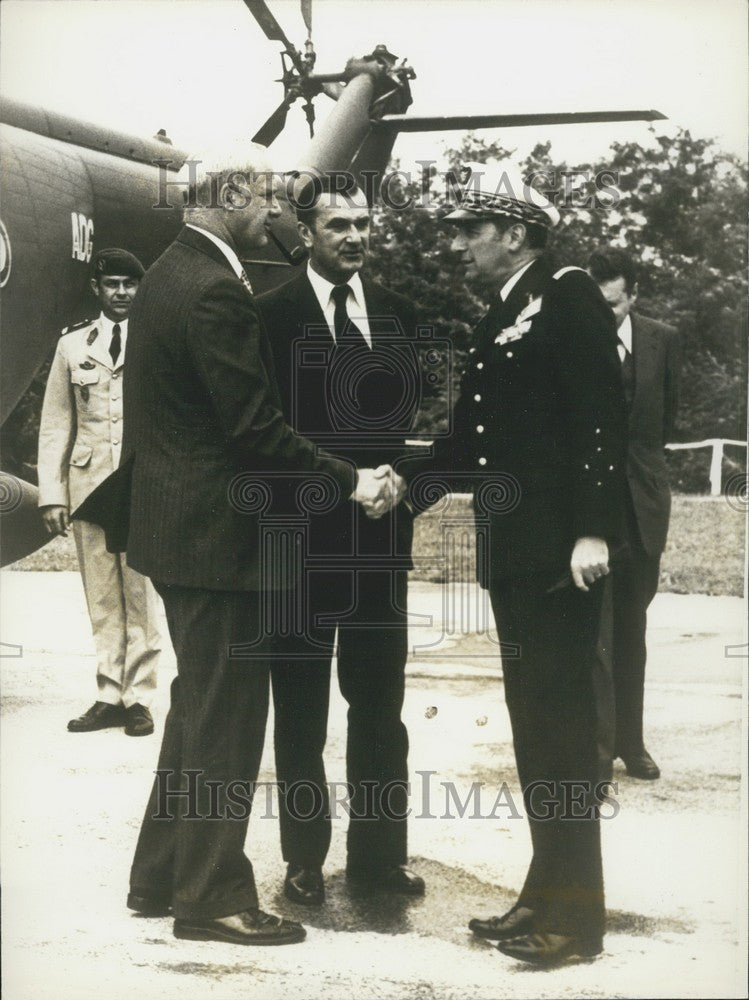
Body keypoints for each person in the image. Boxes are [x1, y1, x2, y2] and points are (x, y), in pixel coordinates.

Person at [81, 147, 399, 948]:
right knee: (225, 722)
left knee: (195, 713)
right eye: (268, 198)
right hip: (219, 542)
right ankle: (212, 896)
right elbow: (255, 430)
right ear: (227, 196)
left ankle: (157, 878)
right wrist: (352, 481)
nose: (279, 213)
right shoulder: (217, 290)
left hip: (177, 533)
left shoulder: (165, 274)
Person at [402, 163, 627, 965]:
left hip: (560, 557)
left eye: (470, 230)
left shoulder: (566, 295)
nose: (459, 244)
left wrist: (593, 532)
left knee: (562, 735)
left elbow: (603, 418)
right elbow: (472, 440)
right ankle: (544, 892)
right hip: (517, 551)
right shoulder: (504, 308)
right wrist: (402, 490)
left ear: (515, 234)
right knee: (536, 731)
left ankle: (576, 922)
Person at [256, 177, 424, 907]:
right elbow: (265, 432)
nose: (353, 236)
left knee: (379, 708)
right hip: (296, 544)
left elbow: (403, 428)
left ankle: (379, 858)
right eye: (337, 225)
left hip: (378, 548)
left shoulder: (397, 315)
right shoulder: (269, 316)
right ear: (305, 231)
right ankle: (303, 860)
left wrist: (396, 483)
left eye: (362, 223)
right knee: (299, 710)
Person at [37, 248, 161, 737]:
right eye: (113, 284)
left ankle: (140, 697)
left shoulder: (154, 341)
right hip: (89, 483)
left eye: (131, 284)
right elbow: (55, 426)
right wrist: (52, 493)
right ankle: (109, 692)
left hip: (141, 482)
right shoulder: (72, 346)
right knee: (103, 594)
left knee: (142, 591)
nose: (123, 293)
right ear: (97, 288)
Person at [588, 247, 680, 780]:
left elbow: (665, 422)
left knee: (632, 632)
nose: (607, 315)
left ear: (635, 296)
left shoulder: (663, 341)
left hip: (642, 511)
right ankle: (596, 757)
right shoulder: (575, 340)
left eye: (615, 305)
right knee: (595, 637)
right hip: (591, 516)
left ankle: (631, 743)